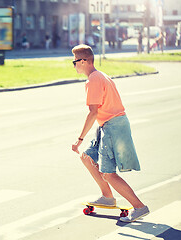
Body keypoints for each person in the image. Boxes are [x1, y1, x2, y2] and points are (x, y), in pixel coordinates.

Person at [71, 44, 150, 222]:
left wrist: (79, 139)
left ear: (83, 61)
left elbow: (93, 112)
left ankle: (139, 207)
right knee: (87, 157)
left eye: (74, 62)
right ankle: (107, 197)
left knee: (108, 173)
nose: (74, 65)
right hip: (107, 126)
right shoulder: (99, 76)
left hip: (113, 126)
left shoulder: (94, 80)